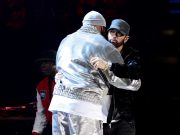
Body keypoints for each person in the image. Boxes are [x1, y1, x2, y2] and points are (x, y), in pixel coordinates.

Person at [48, 10, 125, 135]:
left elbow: (59, 70)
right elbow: (122, 73)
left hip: (59, 104)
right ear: (100, 27)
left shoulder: (65, 40)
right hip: (84, 107)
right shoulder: (103, 44)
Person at [90, 19, 142, 135]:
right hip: (100, 117)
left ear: (126, 38)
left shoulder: (131, 55)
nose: (114, 36)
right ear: (107, 33)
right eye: (112, 32)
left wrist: (108, 65)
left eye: (119, 34)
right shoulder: (98, 52)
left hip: (123, 118)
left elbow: (133, 76)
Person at [32, 50, 57, 135]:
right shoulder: (41, 86)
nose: (42, 66)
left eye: (46, 62)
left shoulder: (68, 82)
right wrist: (36, 132)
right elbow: (41, 113)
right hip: (55, 130)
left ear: (55, 64)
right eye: (41, 63)